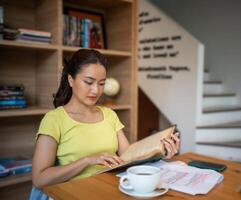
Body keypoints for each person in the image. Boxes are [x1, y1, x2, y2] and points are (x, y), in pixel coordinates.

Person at [30, 49, 180, 199]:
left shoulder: (109, 115)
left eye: (101, 83)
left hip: (112, 189)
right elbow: (39, 178)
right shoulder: (54, 119)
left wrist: (161, 154)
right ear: (71, 80)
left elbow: (129, 159)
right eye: (88, 82)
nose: (96, 90)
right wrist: (87, 160)